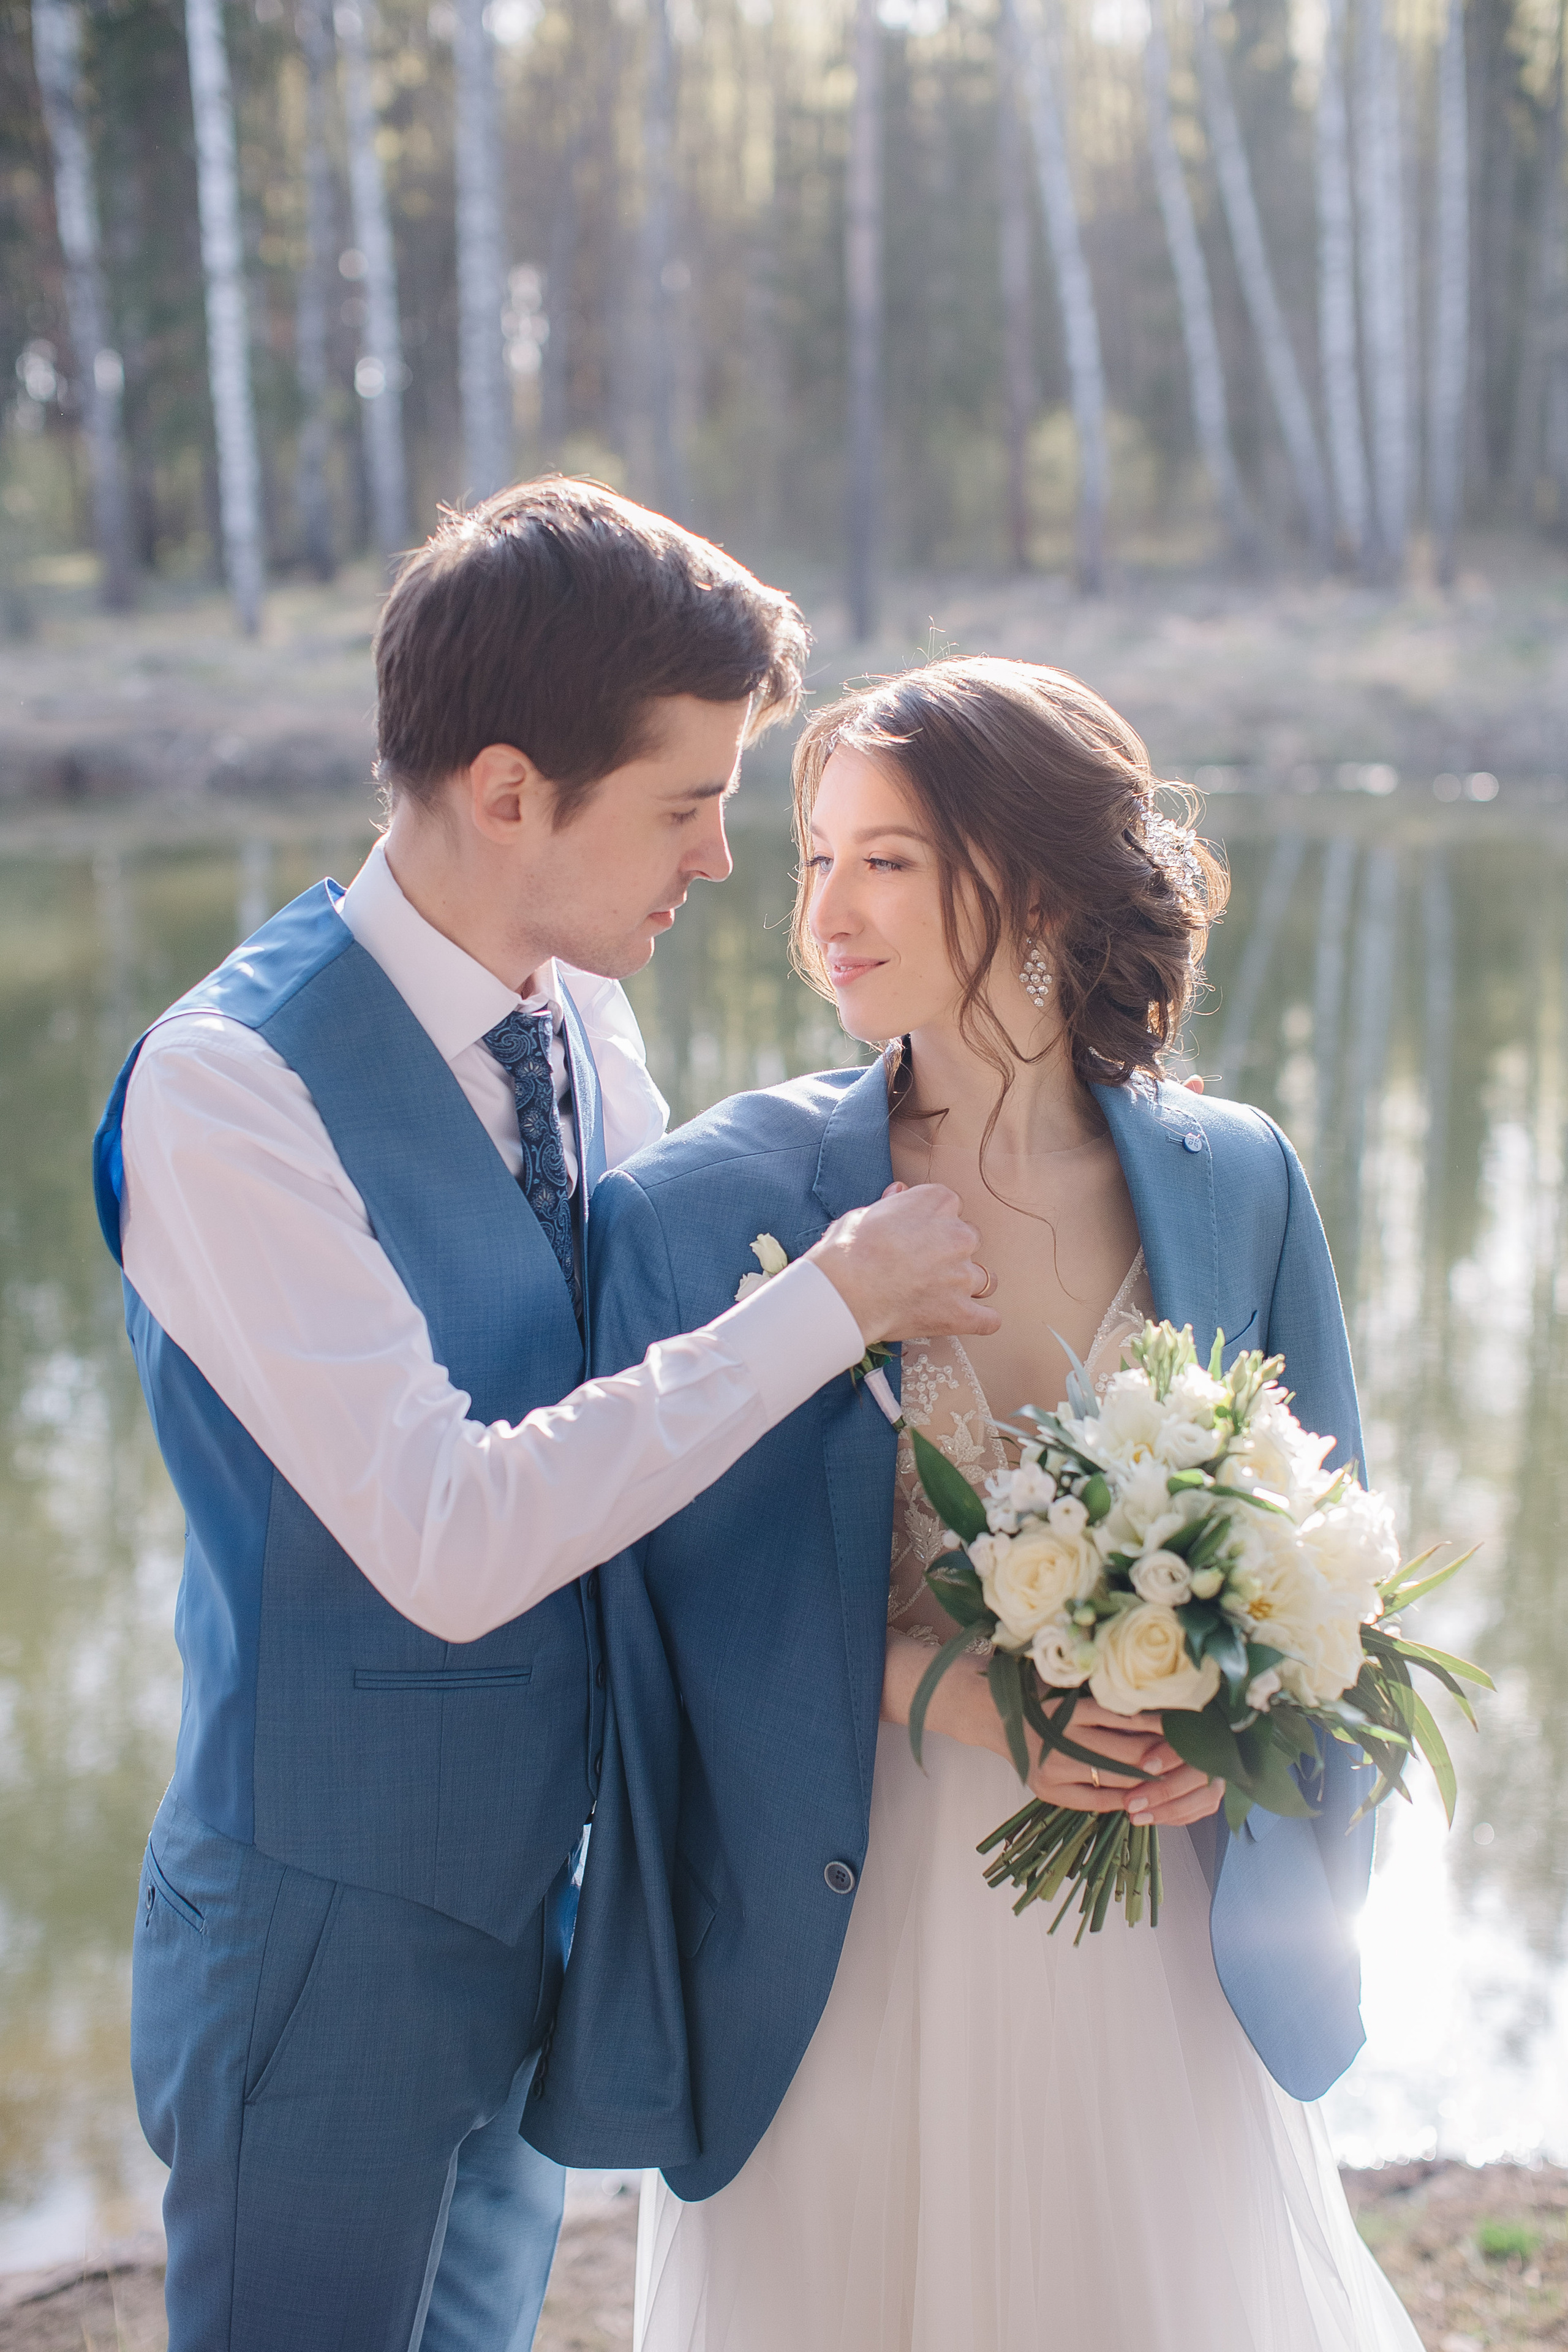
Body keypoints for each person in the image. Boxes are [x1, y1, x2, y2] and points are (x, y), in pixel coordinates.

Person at [89, 482, 998, 2352]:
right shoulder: (225, 1090)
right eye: (688, 804)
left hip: (549, 1903)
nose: (724, 862)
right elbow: (452, 1533)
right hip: (320, 1946)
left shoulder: (578, 1019)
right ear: (510, 793)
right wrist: (833, 1302)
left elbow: (649, 1388)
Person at [528, 657, 1424, 2351]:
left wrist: (1223, 1708)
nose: (827, 911)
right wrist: (947, 1690)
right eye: (813, 858)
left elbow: (1336, 1551)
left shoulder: (1241, 1178)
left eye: (888, 859)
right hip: (844, 1914)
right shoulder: (701, 1206)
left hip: (1154, 1924)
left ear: (1024, 878)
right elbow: (668, 1605)